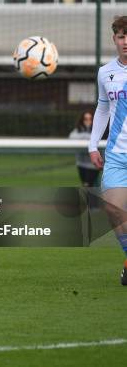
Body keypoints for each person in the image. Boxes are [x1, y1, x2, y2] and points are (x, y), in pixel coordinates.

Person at [88, 15, 127, 286]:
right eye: (122, 36)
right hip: (116, 155)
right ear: (114, 39)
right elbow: (103, 109)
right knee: (113, 210)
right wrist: (93, 145)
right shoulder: (105, 72)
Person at [69, 110, 99, 187]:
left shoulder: (98, 129)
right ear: (82, 120)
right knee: (86, 185)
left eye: (90, 119)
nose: (88, 121)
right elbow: (72, 137)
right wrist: (87, 137)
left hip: (94, 164)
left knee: (89, 185)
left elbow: (99, 139)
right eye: (86, 119)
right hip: (81, 163)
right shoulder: (78, 130)